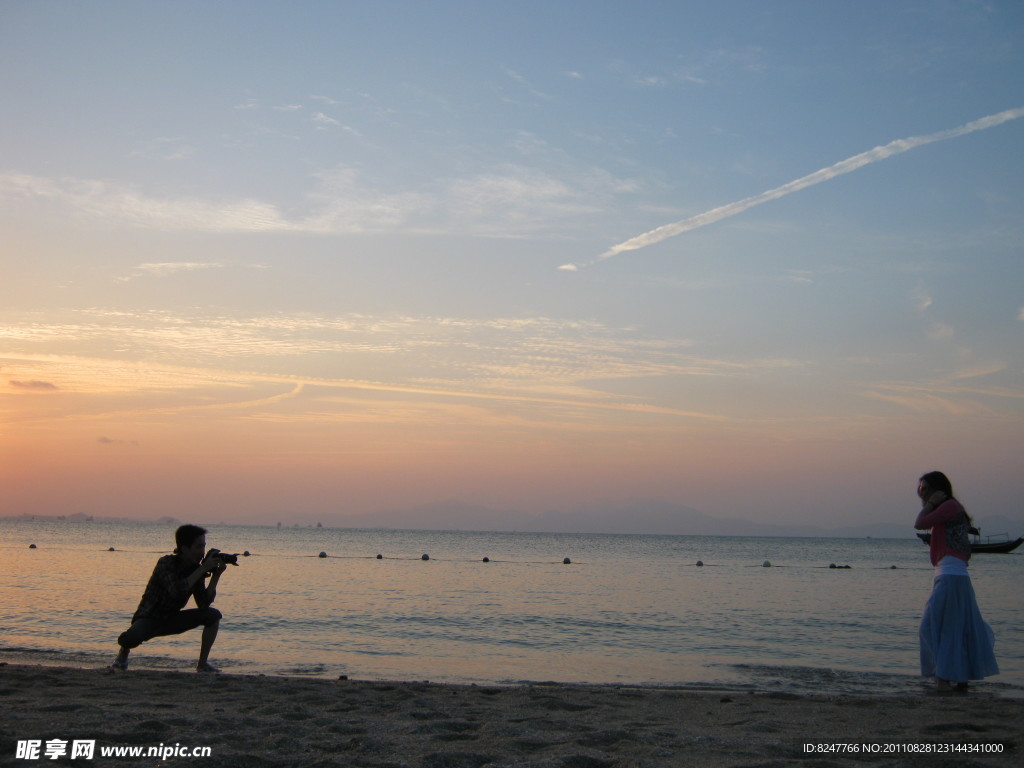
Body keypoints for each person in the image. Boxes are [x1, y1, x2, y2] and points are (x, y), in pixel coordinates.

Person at [914, 471, 998, 692]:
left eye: (924, 489)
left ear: (937, 490)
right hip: (948, 575)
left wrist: (929, 505)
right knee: (955, 626)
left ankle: (943, 678)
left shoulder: (948, 507)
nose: (921, 493)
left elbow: (920, 522)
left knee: (931, 625)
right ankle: (959, 679)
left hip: (951, 575)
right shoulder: (949, 508)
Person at [111, 524, 228, 674]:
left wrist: (216, 576)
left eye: (204, 546)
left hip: (172, 618)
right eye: (199, 547)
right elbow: (177, 591)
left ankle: (203, 664)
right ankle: (123, 654)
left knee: (213, 615)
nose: (202, 552)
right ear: (185, 548)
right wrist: (202, 569)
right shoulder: (166, 563)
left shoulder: (196, 569)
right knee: (130, 639)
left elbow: (203, 603)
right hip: (149, 618)